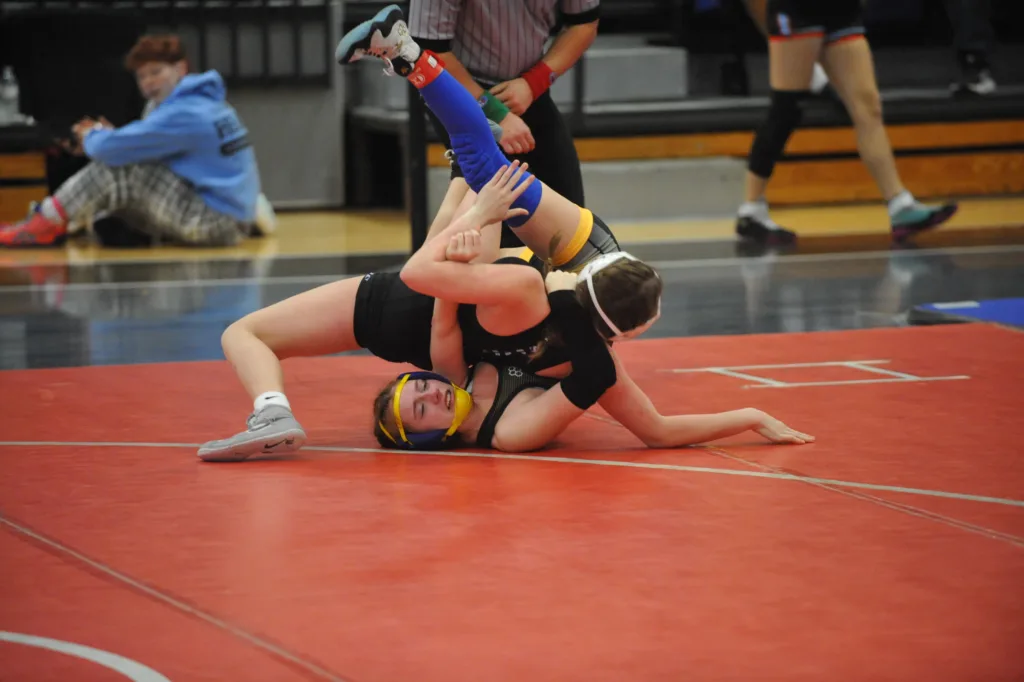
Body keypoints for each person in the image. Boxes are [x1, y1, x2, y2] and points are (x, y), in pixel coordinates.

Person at [336, 4, 618, 273]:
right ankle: (411, 56)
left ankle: (411, 57)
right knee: (489, 195)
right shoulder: (565, 281)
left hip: (578, 266)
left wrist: (477, 217)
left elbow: (584, 21)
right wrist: (494, 111)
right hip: (587, 261)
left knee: (469, 210)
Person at [0, 34, 262, 248]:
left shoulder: (185, 113)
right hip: (229, 217)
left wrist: (91, 135)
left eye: (156, 72)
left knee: (116, 170)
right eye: (141, 76)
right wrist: (112, 141)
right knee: (113, 199)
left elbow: (109, 150)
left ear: (180, 69)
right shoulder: (203, 103)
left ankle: (45, 223)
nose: (148, 82)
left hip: (216, 222)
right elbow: (142, 147)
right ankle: (105, 225)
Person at [735, 0, 958, 246]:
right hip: (799, 10)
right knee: (786, 108)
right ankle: (752, 209)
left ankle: (899, 205)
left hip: (841, 10)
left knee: (868, 106)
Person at [408, 0, 598, 248]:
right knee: (486, 208)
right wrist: (493, 112)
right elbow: (427, 49)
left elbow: (584, 22)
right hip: (459, 87)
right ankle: (434, 267)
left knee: (571, 218)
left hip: (527, 86)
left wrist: (533, 83)